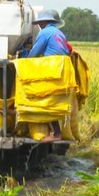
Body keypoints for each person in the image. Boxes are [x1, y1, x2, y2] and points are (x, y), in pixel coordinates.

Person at [27, 9, 70, 142]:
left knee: (45, 98)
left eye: (40, 23)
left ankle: (56, 133)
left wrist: (24, 57)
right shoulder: (59, 33)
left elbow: (34, 54)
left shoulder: (44, 32)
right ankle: (55, 130)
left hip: (53, 68)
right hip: (63, 68)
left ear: (45, 22)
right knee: (54, 101)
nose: (39, 25)